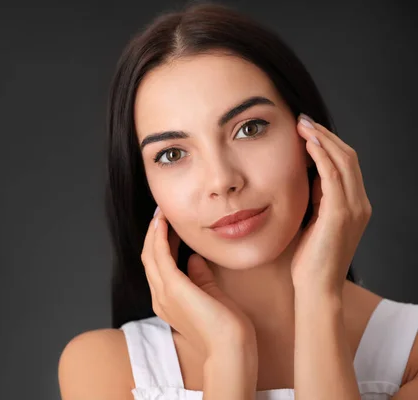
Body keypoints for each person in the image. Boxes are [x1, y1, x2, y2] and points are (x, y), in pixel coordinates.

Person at [58, 2, 418, 399]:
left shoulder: (410, 354)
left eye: (249, 128)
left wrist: (320, 300)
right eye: (172, 154)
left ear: (313, 140)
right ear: (145, 186)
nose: (222, 180)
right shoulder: (105, 368)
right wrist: (228, 354)